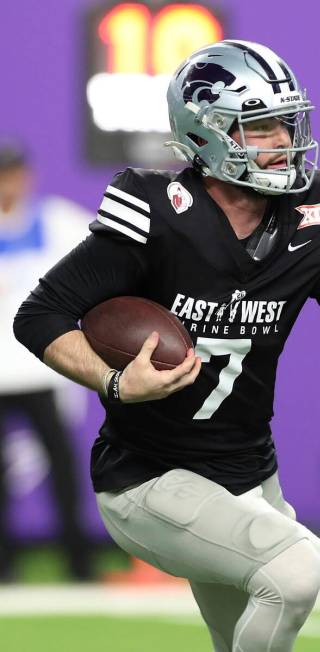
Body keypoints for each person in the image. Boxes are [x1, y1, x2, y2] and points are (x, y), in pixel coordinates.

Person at [14, 41, 320, 650]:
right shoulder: (158, 211)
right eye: (259, 127)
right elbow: (38, 316)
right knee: (294, 572)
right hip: (151, 479)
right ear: (207, 133)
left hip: (251, 475)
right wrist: (115, 381)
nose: (282, 139)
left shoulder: (316, 215)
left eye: (285, 122)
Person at [0, 142, 93, 581]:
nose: (7, 182)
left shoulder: (58, 221)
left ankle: (79, 563)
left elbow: (109, 251)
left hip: (41, 368)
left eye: (13, 172)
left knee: (63, 469)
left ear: (26, 175)